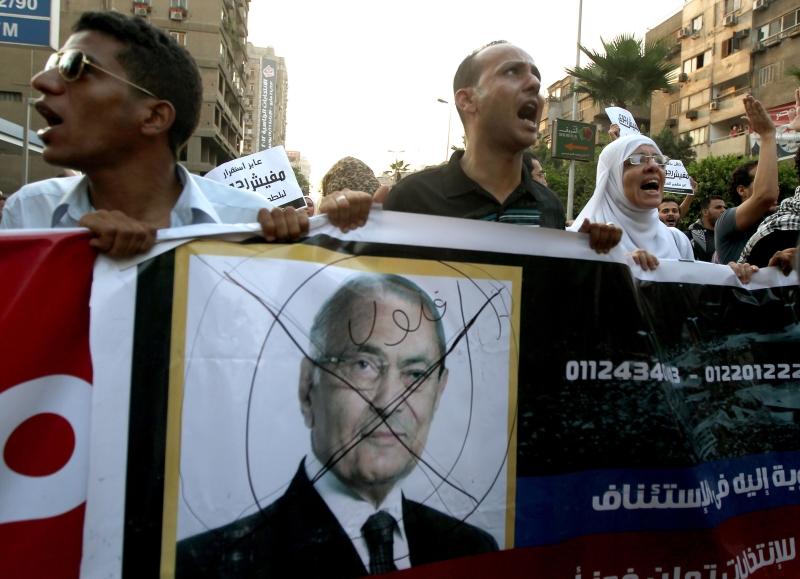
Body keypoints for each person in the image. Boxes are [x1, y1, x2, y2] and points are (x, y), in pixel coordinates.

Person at [176, 274, 498, 577]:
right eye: (363, 365)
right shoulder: (208, 565)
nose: (388, 402)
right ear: (308, 387)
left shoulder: (472, 550)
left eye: (415, 375)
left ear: (438, 393)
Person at [0, 12, 372, 255]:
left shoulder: (250, 226)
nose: (42, 81)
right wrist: (74, 257)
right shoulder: (30, 212)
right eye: (53, 64)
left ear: (154, 117)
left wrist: (323, 238)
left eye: (74, 67)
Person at [383, 41, 621, 253]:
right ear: (467, 100)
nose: (535, 83)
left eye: (536, 76)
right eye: (511, 72)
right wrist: (349, 215)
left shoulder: (549, 205)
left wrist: (586, 253)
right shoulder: (412, 198)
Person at [567, 135, 757, 282]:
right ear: (612, 177)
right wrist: (614, 265)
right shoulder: (579, 239)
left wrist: (730, 278)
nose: (653, 167)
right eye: (637, 159)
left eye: (659, 160)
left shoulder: (677, 240)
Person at [714, 95, 780, 265]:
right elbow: (765, 195)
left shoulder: (782, 217)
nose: (774, 187)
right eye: (761, 179)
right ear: (742, 190)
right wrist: (767, 135)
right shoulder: (726, 221)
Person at [686, 195, 727, 262]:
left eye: (725, 208)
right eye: (718, 207)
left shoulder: (729, 234)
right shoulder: (690, 236)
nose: (724, 210)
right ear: (705, 212)